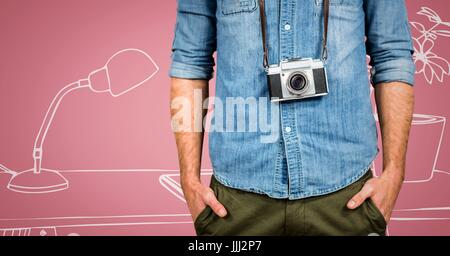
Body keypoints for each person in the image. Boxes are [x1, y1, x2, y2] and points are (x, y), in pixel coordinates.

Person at [169, 0, 415, 236]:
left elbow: (392, 56)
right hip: (236, 200)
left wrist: (394, 172)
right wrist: (188, 179)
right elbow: (189, 63)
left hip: (348, 194)